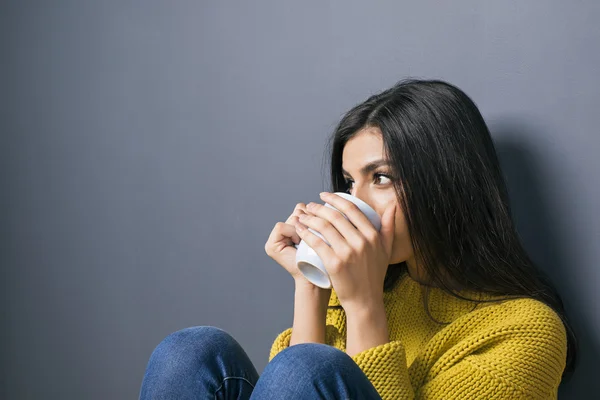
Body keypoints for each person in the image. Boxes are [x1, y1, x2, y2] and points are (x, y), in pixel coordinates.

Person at [139, 79, 577, 399]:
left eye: (381, 178)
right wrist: (311, 282)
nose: (353, 201)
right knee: (190, 351)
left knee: (304, 365)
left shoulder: (525, 330)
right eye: (350, 183)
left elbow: (305, 376)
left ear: (446, 184)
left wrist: (364, 305)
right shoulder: (365, 284)